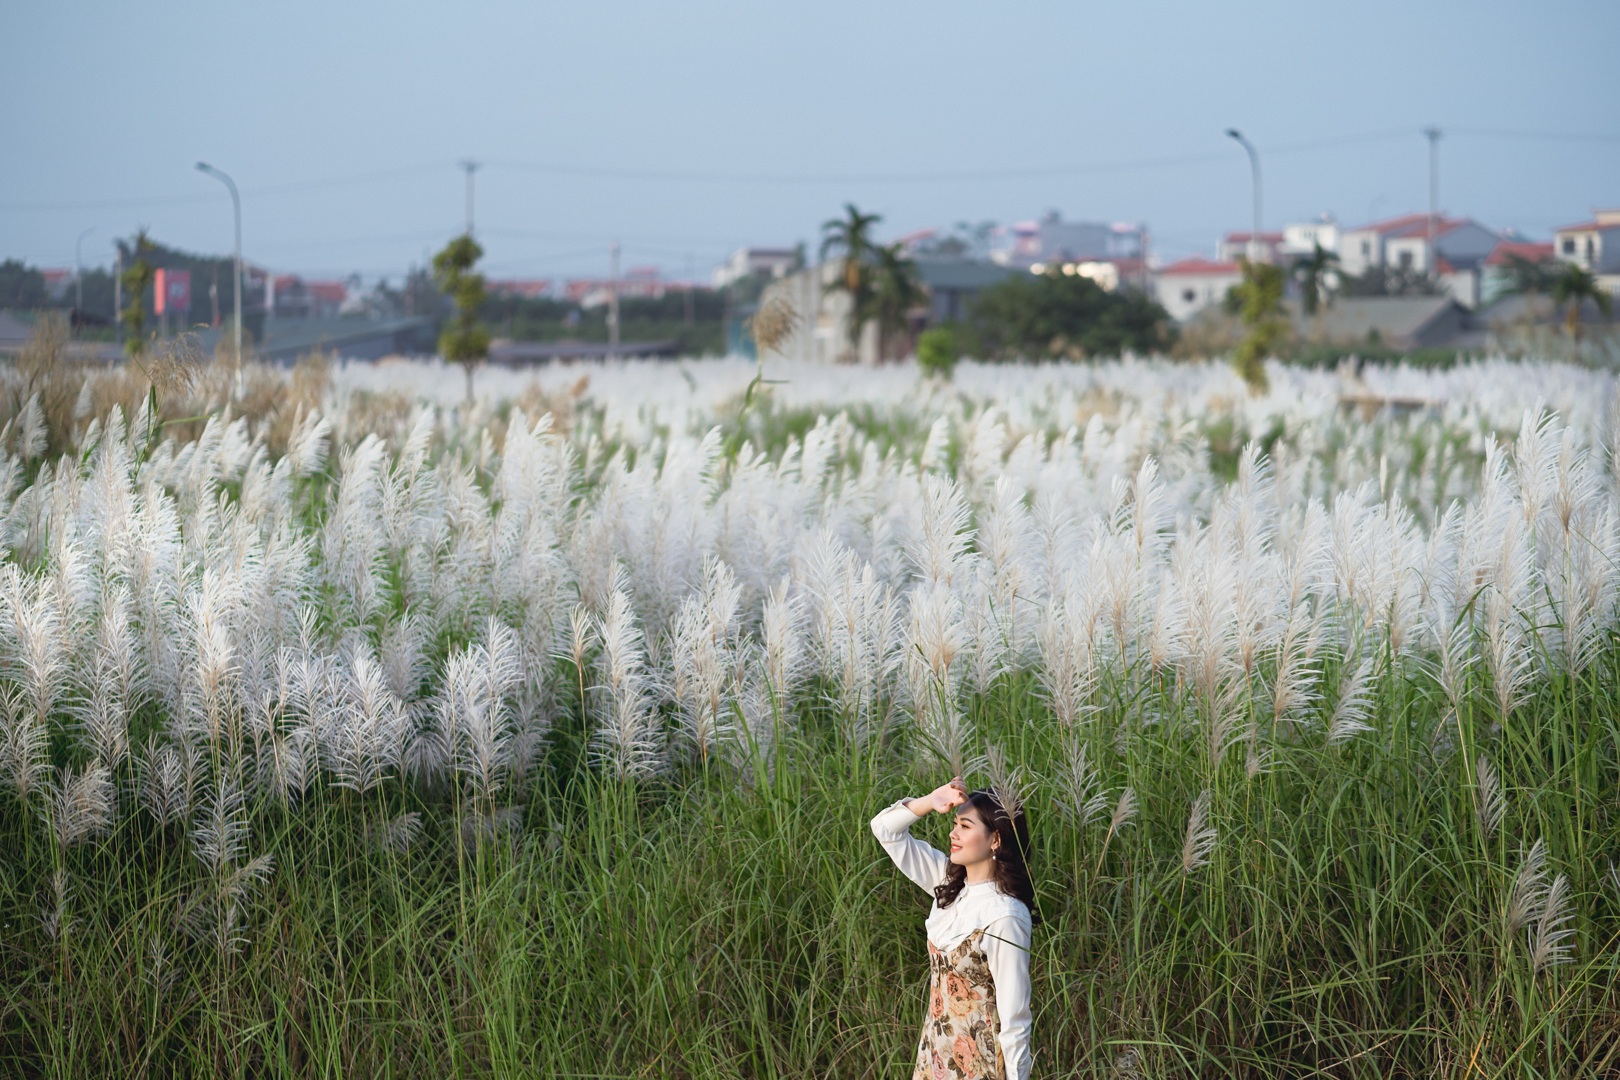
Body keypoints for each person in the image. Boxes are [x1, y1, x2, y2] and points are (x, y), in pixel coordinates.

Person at [871, 776, 1035, 1080]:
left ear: (996, 840)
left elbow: (1015, 1020)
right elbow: (884, 829)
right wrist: (931, 801)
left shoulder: (1006, 916)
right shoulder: (948, 883)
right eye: (956, 823)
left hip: (981, 1066)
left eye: (965, 826)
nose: (953, 832)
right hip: (935, 1056)